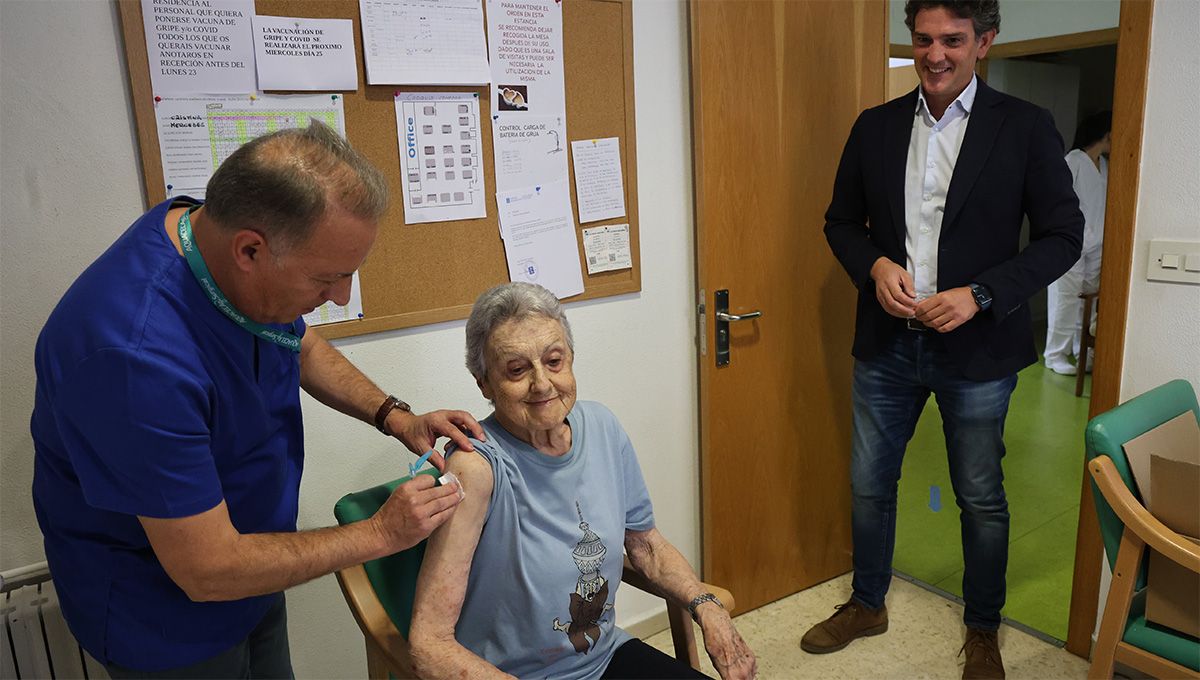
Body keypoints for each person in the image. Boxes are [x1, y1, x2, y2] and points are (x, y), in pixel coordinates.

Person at [31, 122, 485, 678]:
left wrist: (395, 416)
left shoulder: (217, 244)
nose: (340, 296)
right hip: (164, 617)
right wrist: (380, 533)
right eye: (328, 278)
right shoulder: (132, 356)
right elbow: (209, 570)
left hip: (259, 568)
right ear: (250, 250)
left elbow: (294, 341)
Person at [808, 1, 1083, 678]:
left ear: (984, 42)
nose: (936, 54)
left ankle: (983, 627)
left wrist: (982, 293)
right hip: (887, 344)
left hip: (979, 351)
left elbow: (1063, 237)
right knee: (870, 484)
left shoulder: (1024, 128)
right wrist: (873, 266)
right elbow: (841, 221)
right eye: (924, 39)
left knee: (980, 495)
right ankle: (867, 602)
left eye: (954, 40)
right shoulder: (875, 127)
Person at [407, 282, 757, 680]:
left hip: (604, 658)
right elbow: (428, 644)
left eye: (554, 361)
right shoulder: (475, 467)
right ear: (483, 382)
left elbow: (646, 546)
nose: (542, 384)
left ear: (571, 359)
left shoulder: (603, 428)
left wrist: (706, 604)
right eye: (517, 370)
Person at [1044, 111, 1112, 375]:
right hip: (1070, 244)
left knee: (1089, 301)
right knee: (1066, 299)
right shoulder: (1073, 161)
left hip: (1097, 243)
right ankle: (1055, 355)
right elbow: (1056, 201)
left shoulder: (1104, 165)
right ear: (1106, 134)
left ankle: (1080, 351)